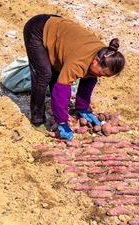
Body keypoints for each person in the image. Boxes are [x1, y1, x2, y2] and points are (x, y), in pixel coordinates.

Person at [23, 14, 126, 142]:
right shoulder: (78, 62)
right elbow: (62, 90)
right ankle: (37, 119)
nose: (99, 77)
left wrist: (83, 107)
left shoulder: (105, 54)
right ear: (96, 60)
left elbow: (89, 80)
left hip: (60, 31)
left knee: (59, 73)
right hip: (38, 29)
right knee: (44, 75)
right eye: (101, 73)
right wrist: (62, 122)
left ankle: (72, 107)